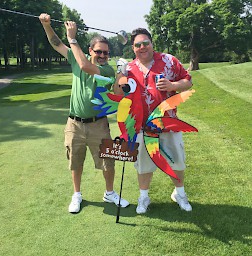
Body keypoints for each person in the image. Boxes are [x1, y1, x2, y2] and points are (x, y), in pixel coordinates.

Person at [39, 13, 129, 214]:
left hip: (98, 124)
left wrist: (72, 39)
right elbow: (56, 44)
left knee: (108, 161)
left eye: (106, 53)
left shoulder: (106, 71)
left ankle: (109, 192)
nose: (104, 56)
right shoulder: (76, 56)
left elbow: (85, 66)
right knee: (75, 160)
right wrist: (46, 25)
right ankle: (77, 194)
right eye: (99, 52)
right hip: (75, 124)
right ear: (90, 50)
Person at [115, 28, 193, 214]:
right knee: (143, 165)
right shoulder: (130, 68)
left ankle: (179, 193)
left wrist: (173, 85)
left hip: (168, 123)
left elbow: (188, 81)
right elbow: (119, 94)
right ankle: (144, 197)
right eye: (138, 45)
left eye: (145, 43)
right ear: (133, 48)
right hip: (141, 126)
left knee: (177, 161)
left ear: (152, 43)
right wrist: (120, 73)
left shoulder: (168, 60)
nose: (142, 47)